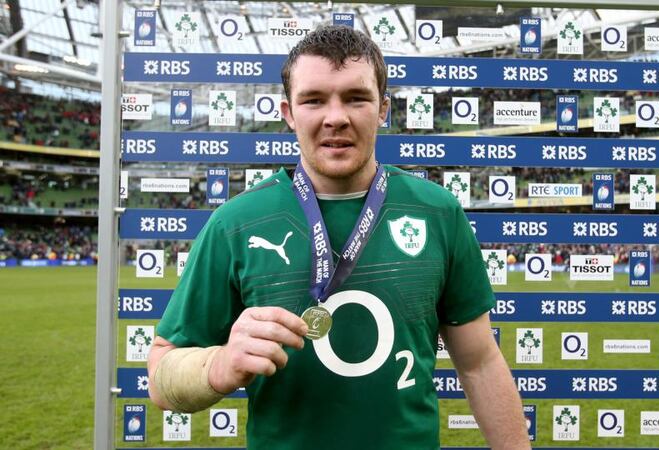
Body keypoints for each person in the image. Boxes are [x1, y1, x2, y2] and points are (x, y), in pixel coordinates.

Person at [148, 25, 529, 449]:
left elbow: (479, 363)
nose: (336, 117)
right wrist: (217, 365)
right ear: (288, 113)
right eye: (313, 100)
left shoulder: (438, 211)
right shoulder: (235, 223)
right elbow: (161, 376)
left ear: (383, 108)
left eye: (355, 98)